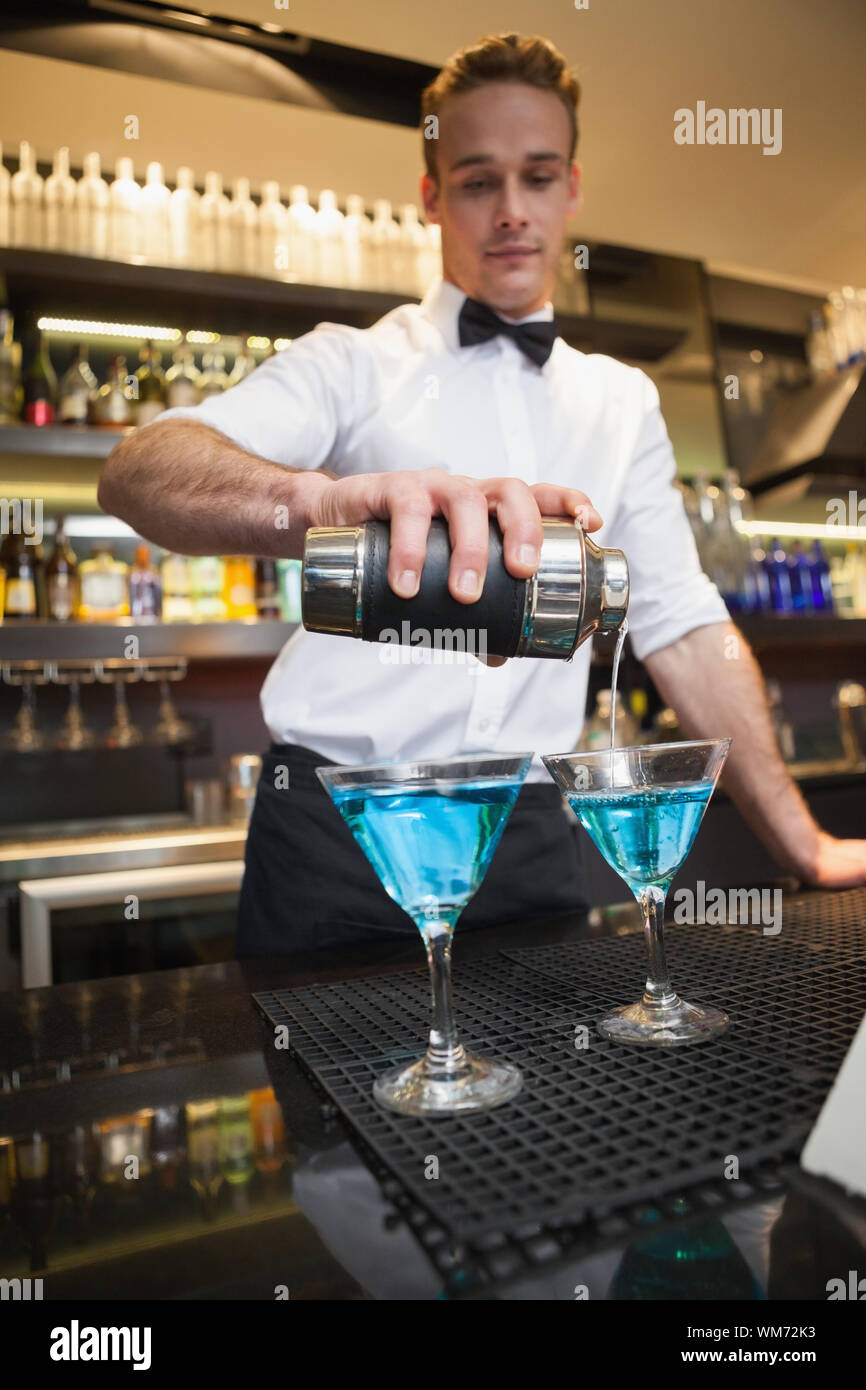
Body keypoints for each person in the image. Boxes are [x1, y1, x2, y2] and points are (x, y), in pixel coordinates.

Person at [98, 32, 866, 954]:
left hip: (529, 836)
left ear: (572, 188)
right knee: (327, 1093)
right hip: (340, 831)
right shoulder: (353, 361)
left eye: (537, 177)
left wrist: (806, 846)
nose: (511, 211)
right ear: (431, 197)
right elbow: (139, 469)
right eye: (476, 180)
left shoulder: (623, 400)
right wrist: (313, 503)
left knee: (549, 1098)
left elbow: (682, 625)